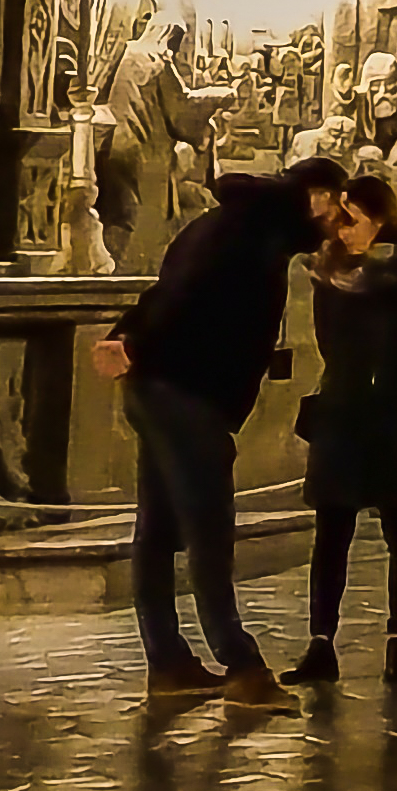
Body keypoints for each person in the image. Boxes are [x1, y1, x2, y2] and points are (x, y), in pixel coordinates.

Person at [94, 165, 326, 708]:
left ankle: (168, 663)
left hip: (166, 387)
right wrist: (132, 341)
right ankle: (242, 667)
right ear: (315, 196)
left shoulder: (237, 227)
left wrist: (128, 337)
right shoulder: (245, 234)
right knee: (209, 530)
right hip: (184, 392)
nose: (334, 222)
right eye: (334, 207)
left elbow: (172, 290)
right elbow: (182, 292)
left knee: (158, 529)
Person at [288, 176, 397, 685]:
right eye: (338, 222)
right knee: (331, 533)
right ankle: (321, 643)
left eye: (352, 220)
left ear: (379, 218)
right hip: (342, 411)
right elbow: (328, 339)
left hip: (395, 415)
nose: (342, 232)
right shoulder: (330, 273)